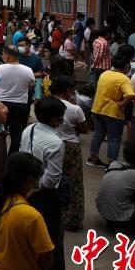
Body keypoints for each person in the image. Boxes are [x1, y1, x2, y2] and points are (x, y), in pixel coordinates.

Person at [19, 97, 68, 270]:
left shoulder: (28, 130)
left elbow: (22, 156)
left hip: (27, 187)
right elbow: (51, 180)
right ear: (56, 119)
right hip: (45, 197)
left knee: (30, 240)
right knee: (48, 241)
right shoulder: (56, 143)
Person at [87, 54, 135, 167]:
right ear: (126, 66)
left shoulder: (104, 74)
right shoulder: (124, 79)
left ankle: (92, 158)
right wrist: (122, 103)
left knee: (98, 135)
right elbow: (131, 95)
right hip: (113, 112)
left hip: (97, 109)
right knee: (114, 139)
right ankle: (112, 164)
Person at [49, 76, 88, 230]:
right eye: (73, 89)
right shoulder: (74, 108)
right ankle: (71, 218)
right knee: (73, 182)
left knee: (53, 177)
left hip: (52, 141)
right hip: (71, 145)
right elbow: (85, 129)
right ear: (68, 90)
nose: (74, 92)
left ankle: (52, 212)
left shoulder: (48, 103)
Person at [0, 44, 34, 153]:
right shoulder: (28, 70)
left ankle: (0, 156)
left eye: (3, 54)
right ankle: (12, 158)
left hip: (1, 104)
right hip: (20, 105)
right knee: (17, 134)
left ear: (7, 56)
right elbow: (30, 85)